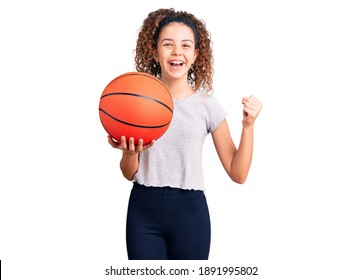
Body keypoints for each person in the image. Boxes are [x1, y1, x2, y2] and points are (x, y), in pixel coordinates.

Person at [108, 8, 262, 260]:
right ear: (156, 53)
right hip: (143, 209)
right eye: (167, 44)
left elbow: (238, 173)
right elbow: (129, 173)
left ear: (195, 55)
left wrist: (248, 126)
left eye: (185, 45)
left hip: (191, 214)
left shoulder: (207, 106)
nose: (176, 51)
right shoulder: (136, 101)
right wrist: (128, 153)